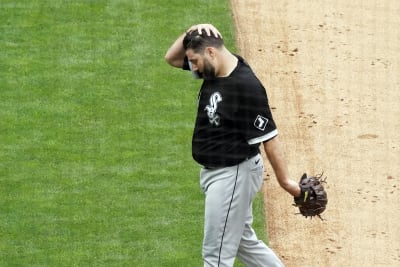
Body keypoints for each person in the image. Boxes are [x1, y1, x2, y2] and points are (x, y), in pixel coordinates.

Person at [165, 23, 301, 267]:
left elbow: (269, 138)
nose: (192, 68)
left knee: (215, 257)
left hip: (233, 175)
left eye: (194, 61)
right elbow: (171, 59)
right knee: (244, 243)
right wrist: (191, 30)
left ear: (211, 52)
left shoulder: (246, 87)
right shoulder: (213, 69)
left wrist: (287, 183)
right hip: (220, 174)